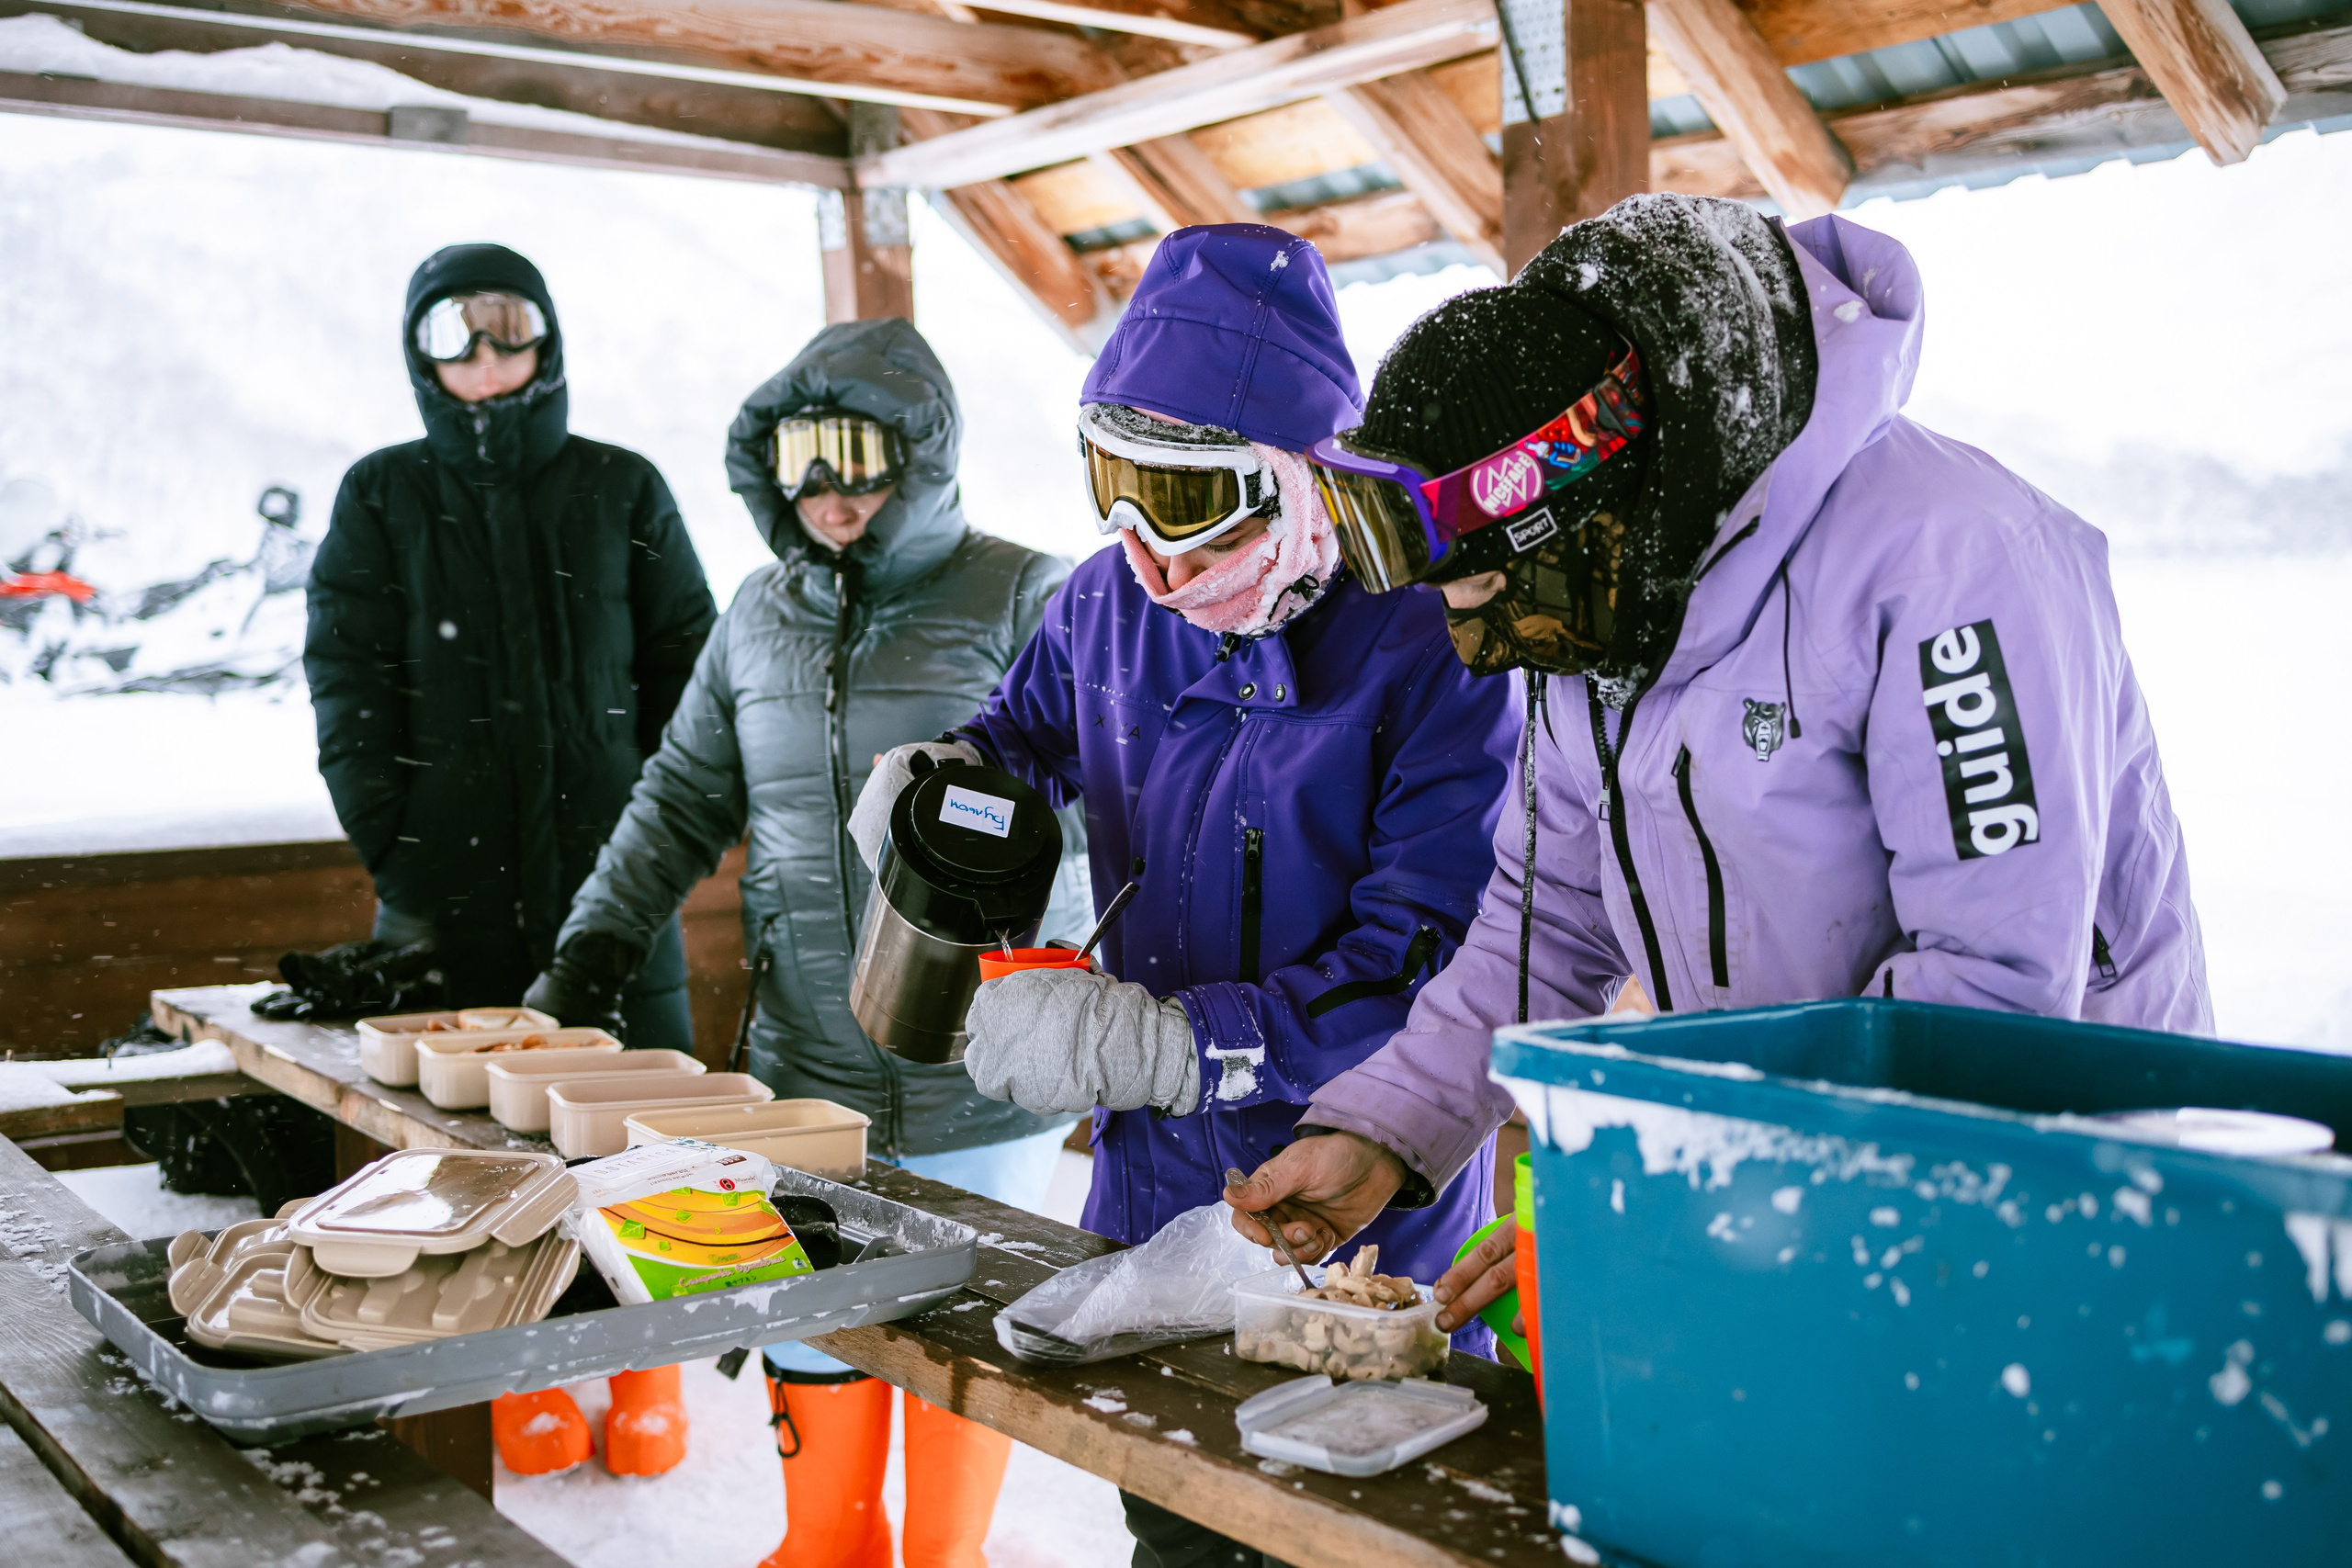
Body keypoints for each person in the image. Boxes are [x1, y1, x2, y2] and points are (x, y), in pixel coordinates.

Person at [1221, 193, 2211, 1341]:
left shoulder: (1953, 566)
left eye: (1481, 595)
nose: (1465, 642)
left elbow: (1986, 998)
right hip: (1806, 1185)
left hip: (2045, 1194)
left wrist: (1693, 1201)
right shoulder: (1604, 597)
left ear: (1579, 522)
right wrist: (1390, 1126)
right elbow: (1555, 908)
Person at [848, 224, 1517, 1568]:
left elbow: (1438, 968)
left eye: (1189, 494)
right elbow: (1020, 734)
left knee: (1345, 1534)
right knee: (1174, 1521)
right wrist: (945, 779)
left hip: (1355, 1228)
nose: (1146, 547)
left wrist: (1178, 1041)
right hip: (1152, 1218)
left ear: (1296, 478)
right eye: (1118, 482)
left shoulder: (1435, 640)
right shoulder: (1107, 607)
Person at [525, 317, 1088, 1568]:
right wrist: (589, 952)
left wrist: (1035, 933)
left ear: (922, 456)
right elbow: (680, 797)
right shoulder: (756, 616)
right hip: (804, 1070)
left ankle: (948, 1553)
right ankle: (823, 1540)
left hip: (985, 1072)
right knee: (803, 1317)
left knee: (958, 1333)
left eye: (856, 457)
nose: (827, 494)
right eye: (797, 463)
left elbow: (1120, 805)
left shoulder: (1026, 592)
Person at [306, 243, 714, 1055]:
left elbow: (694, 676)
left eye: (508, 328)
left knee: (653, 1147)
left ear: (547, 342)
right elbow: (348, 683)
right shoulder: (382, 494)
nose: (485, 356)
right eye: (455, 332)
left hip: (615, 893)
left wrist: (652, 835)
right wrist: (400, 846)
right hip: (442, 898)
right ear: (418, 353)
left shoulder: (623, 485)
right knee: (452, 1157)